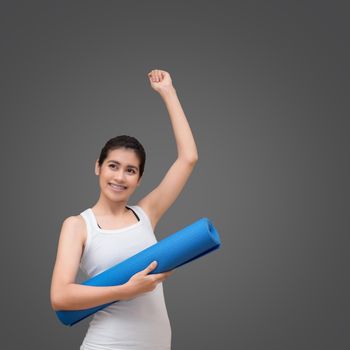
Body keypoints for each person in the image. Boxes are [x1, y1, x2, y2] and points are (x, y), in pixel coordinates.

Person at [50, 69, 199, 350]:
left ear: (139, 179)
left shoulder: (146, 213)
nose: (120, 177)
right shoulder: (79, 225)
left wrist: (168, 92)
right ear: (98, 167)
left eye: (130, 170)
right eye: (113, 166)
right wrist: (126, 291)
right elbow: (60, 296)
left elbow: (188, 158)